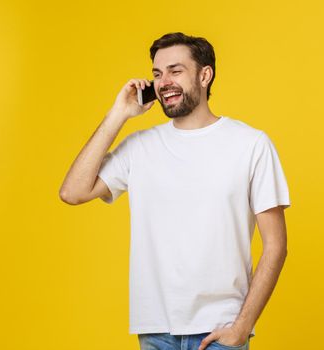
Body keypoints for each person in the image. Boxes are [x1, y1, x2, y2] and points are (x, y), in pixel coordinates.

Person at [59, 32, 291, 350]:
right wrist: (119, 114)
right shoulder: (140, 147)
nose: (163, 81)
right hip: (156, 331)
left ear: (204, 75)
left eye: (175, 70)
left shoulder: (250, 144)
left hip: (220, 331)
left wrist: (243, 326)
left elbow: (276, 245)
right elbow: (72, 192)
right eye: (157, 73)